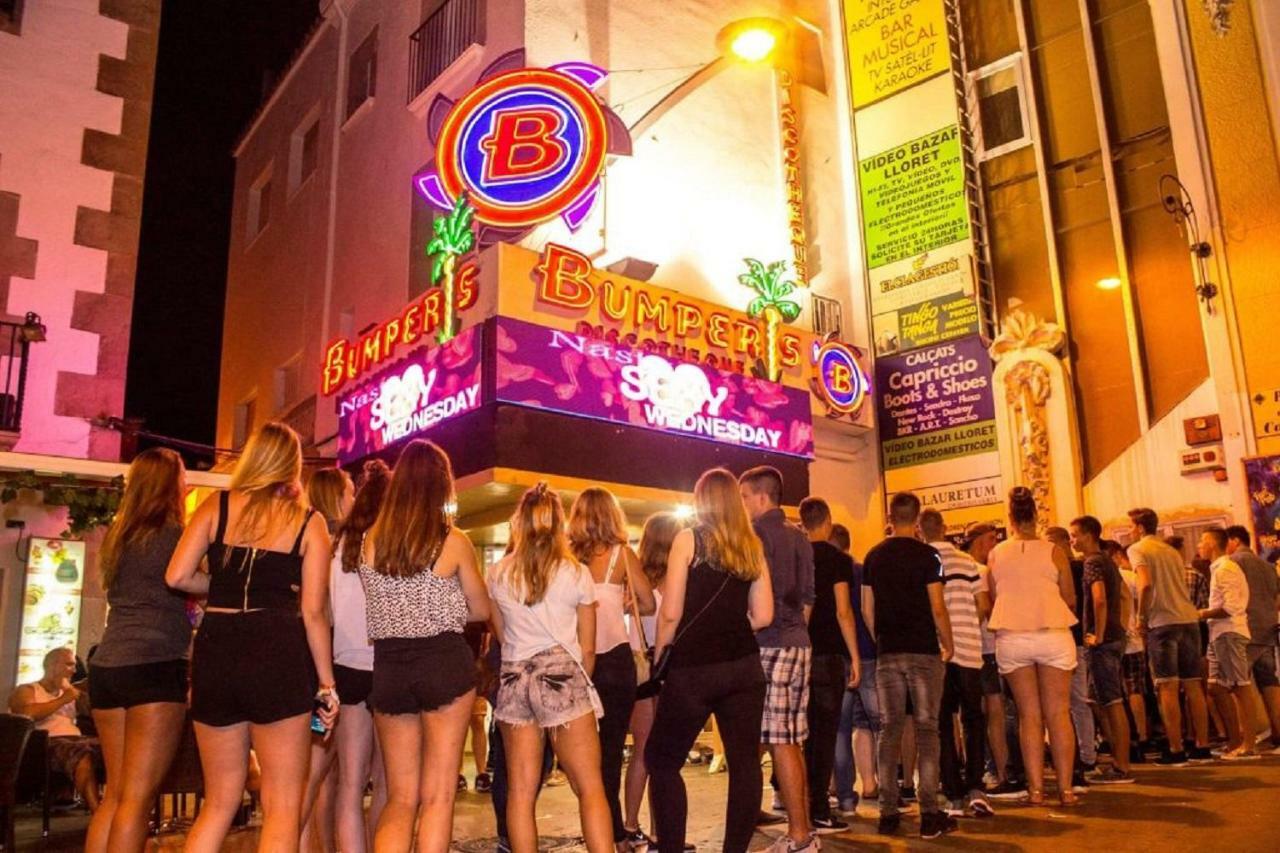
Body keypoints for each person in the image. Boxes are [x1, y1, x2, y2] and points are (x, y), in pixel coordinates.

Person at [165, 421, 338, 852]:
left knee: (220, 801)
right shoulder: (308, 523)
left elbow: (177, 575)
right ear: (292, 466)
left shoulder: (215, 505)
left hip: (217, 645)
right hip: (277, 648)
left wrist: (222, 586)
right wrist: (326, 683)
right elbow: (314, 612)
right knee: (282, 803)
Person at [358, 440, 490, 852]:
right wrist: (443, 610)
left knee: (400, 797)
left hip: (390, 669)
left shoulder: (370, 541)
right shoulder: (452, 541)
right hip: (443, 665)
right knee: (438, 797)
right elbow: (480, 607)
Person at [646, 469, 773, 853]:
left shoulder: (689, 539)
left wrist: (661, 655)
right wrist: (732, 626)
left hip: (693, 669)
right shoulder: (751, 545)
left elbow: (670, 612)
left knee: (662, 760)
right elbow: (764, 615)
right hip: (744, 668)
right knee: (745, 764)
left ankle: (671, 847)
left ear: (701, 501)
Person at [488, 483, 613, 853]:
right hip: (562, 674)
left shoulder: (498, 574)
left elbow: (499, 630)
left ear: (518, 523)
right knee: (590, 787)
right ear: (560, 524)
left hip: (514, 679)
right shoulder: (575, 573)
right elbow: (588, 648)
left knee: (521, 793)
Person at [81, 448, 189, 852]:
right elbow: (199, 581)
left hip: (108, 667)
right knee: (138, 798)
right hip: (155, 665)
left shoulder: (119, 537)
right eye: (181, 475)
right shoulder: (174, 536)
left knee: (116, 794)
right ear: (168, 483)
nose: (186, 482)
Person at [862, 492, 955, 839]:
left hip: (889, 653)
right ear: (916, 518)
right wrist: (949, 642)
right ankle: (929, 812)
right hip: (924, 652)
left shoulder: (873, 556)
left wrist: (881, 638)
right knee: (928, 729)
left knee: (890, 730)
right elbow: (937, 605)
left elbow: (867, 609)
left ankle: (888, 814)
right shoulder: (928, 555)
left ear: (890, 515)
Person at [568, 487, 656, 852]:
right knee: (613, 750)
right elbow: (648, 603)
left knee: (586, 756)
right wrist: (621, 600)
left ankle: (605, 832)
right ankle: (614, 834)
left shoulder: (566, 559)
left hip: (579, 661)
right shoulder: (623, 556)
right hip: (617, 664)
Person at [737, 466, 815, 851]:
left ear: (761, 497)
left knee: (779, 741)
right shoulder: (800, 536)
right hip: (799, 642)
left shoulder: (754, 535)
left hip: (769, 643)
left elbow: (753, 601)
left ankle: (799, 835)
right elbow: (808, 600)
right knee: (791, 738)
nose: (742, 505)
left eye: (745, 497)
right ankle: (800, 827)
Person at [986, 487, 1078, 807]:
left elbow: (995, 597)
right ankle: (1066, 790)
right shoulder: (1055, 551)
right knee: (1058, 712)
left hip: (1013, 636)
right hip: (1053, 633)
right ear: (1036, 516)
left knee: (1028, 715)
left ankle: (1036, 789)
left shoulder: (996, 553)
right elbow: (1069, 597)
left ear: (1010, 518)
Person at [316, 461, 390, 853]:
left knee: (349, 782)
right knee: (386, 783)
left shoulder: (334, 547)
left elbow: (322, 610)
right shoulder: (391, 543)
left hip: (344, 668)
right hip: (386, 668)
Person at [919, 510, 994, 818]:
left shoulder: (921, 560)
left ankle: (952, 793)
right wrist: (968, 629)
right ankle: (976, 785)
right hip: (969, 651)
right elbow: (984, 605)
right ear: (945, 529)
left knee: (941, 723)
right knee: (973, 719)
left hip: (937, 653)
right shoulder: (967, 562)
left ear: (921, 532)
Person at [1128, 507, 1212, 765]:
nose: (1131, 531)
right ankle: (1202, 746)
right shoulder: (1171, 551)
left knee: (1167, 686)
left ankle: (1175, 748)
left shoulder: (1138, 549)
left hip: (1162, 622)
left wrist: (1142, 617)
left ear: (1140, 528)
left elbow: (1145, 583)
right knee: (1193, 684)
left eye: (1132, 526)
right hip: (1188, 619)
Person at [797, 497, 861, 833]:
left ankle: (801, 806)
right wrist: (853, 656)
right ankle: (819, 809)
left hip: (799, 653)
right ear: (828, 521)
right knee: (824, 734)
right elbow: (843, 611)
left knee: (803, 734)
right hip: (829, 656)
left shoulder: (796, 554)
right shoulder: (838, 559)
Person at [299, 466, 354, 853]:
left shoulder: (308, 542)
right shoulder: (335, 549)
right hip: (327, 673)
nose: (355, 499)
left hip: (315, 666)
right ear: (336, 497)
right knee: (316, 772)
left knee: (322, 777)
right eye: (350, 492)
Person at [622, 512, 683, 849]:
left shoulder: (637, 581)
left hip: (639, 671)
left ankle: (633, 827)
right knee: (657, 753)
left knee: (645, 752)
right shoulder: (673, 583)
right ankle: (648, 828)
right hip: (661, 670)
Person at [1070, 517, 1135, 783]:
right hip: (1113, 637)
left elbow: (1098, 598)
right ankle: (1119, 760)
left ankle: (1122, 765)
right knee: (1103, 701)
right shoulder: (1108, 561)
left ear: (1089, 535)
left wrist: (1097, 632)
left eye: (1075, 535)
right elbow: (1122, 596)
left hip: (1103, 640)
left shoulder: (1093, 562)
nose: (1073, 541)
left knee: (1112, 702)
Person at [9, 648, 102, 811]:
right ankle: (98, 811)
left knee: (116, 749)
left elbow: (92, 714)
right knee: (81, 754)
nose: (74, 670)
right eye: (69, 665)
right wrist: (62, 699)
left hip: (77, 740)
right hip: (45, 744)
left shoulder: (72, 692)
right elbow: (26, 714)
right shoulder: (27, 690)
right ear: (51, 666)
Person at [1196, 528, 1258, 759]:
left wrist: (1201, 614)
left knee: (1240, 686)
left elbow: (1232, 607)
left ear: (1212, 543)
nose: (1199, 545)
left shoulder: (1226, 569)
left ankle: (1249, 745)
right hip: (1218, 634)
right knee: (1215, 687)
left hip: (1230, 632)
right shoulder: (1218, 570)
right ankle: (1234, 741)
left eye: (1202, 540)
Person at [833, 526, 880, 816]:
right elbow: (869, 610)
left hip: (841, 656)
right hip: (868, 654)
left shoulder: (824, 572)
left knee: (840, 727)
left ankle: (843, 794)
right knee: (874, 724)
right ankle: (874, 783)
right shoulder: (863, 571)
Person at [1046, 525, 1094, 789]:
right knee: (1071, 704)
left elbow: (1077, 602)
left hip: (1073, 639)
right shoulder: (1068, 568)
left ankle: (1084, 756)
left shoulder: (1075, 568)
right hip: (1068, 639)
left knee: (1074, 702)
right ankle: (1080, 757)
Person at [1225, 525, 1280, 749]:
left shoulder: (1233, 563)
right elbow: (1277, 599)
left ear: (1235, 540)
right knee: (1270, 682)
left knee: (1239, 685)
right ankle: (1278, 733)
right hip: (1267, 630)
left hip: (1245, 631)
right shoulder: (1267, 566)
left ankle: (1245, 738)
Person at [1107, 540, 1152, 760]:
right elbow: (1144, 599)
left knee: (1115, 694)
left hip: (1112, 641)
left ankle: (1122, 739)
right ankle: (1142, 736)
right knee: (1135, 689)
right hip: (1134, 639)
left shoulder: (1106, 577)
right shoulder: (1131, 577)